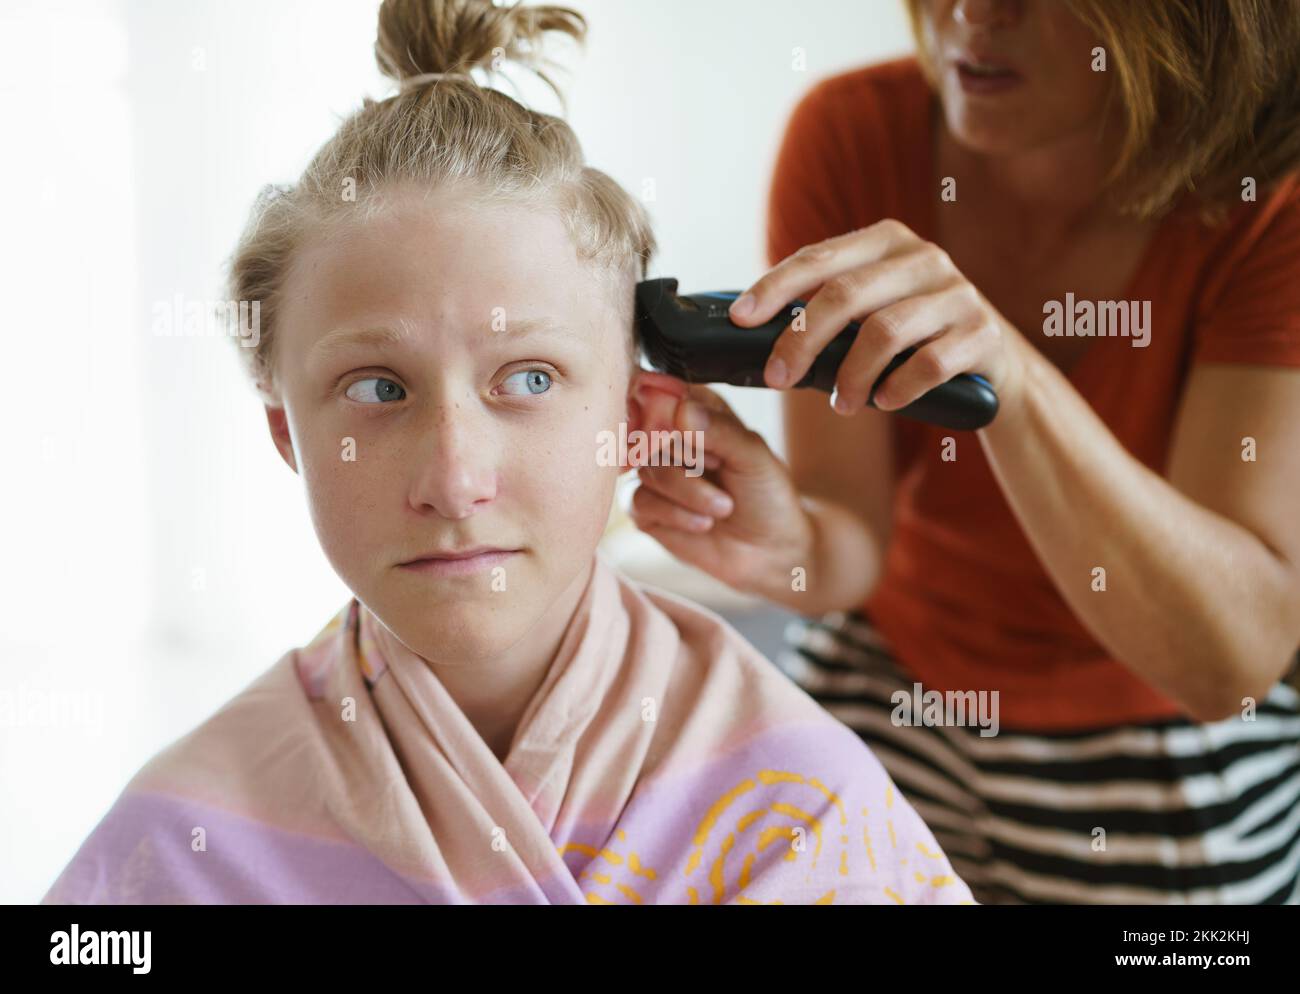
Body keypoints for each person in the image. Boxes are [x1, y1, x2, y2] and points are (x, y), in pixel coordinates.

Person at [40, 0, 974, 907]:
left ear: (637, 422)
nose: (453, 481)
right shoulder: (182, 842)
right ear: (289, 432)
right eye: (378, 389)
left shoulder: (804, 814)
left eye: (529, 380)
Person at [629, 0, 1300, 904]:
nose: (972, 14)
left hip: (1156, 746)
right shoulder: (852, 135)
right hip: (891, 688)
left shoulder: (1271, 203)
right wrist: (791, 549)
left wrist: (1009, 382)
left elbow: (1230, 662)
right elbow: (851, 539)